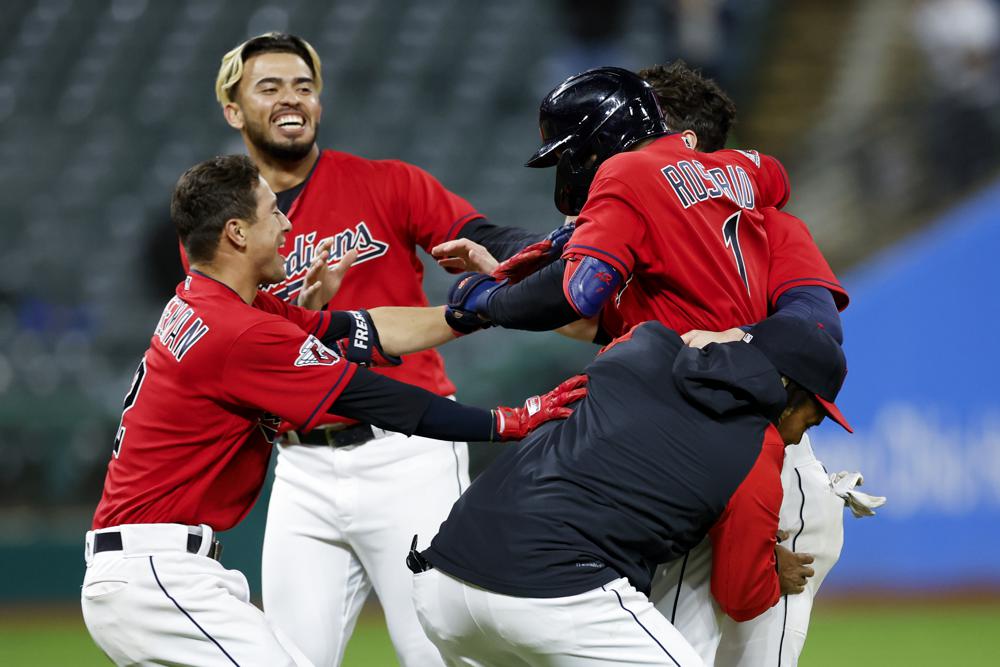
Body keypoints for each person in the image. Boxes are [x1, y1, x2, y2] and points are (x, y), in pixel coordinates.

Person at [80, 155, 586, 667]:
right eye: (272, 212)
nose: (286, 223)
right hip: (159, 578)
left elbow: (356, 332)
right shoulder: (240, 331)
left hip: (147, 571)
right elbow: (381, 399)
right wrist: (507, 421)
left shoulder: (212, 301)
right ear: (235, 232)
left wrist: (476, 310)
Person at [209, 32, 553, 667]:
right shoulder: (223, 228)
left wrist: (560, 246)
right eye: (270, 87)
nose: (292, 99)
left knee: (441, 654)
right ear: (234, 110)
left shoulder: (386, 184)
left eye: (304, 87)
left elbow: (483, 234)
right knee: (286, 657)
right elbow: (244, 346)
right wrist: (310, 317)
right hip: (301, 468)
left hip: (406, 454)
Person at [411, 315, 853, 667]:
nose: (799, 437)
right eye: (809, 420)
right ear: (787, 389)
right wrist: (769, 571)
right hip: (552, 590)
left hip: (444, 583)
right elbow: (741, 597)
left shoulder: (642, 343)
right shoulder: (759, 448)